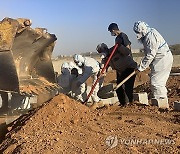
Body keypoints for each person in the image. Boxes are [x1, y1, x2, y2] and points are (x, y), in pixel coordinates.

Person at [133, 21, 173, 108]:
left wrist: (140, 67)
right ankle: (159, 101)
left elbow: (150, 55)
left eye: (138, 33)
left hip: (163, 60)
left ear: (142, 30)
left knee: (157, 82)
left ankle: (162, 105)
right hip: (159, 60)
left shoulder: (150, 37)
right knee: (156, 81)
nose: (137, 35)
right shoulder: (149, 34)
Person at [100, 22, 137, 106]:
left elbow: (127, 49)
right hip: (121, 67)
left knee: (126, 86)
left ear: (113, 30)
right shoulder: (117, 38)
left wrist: (120, 47)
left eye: (110, 31)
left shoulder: (123, 36)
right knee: (119, 86)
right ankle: (124, 103)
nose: (111, 33)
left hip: (128, 65)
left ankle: (130, 103)